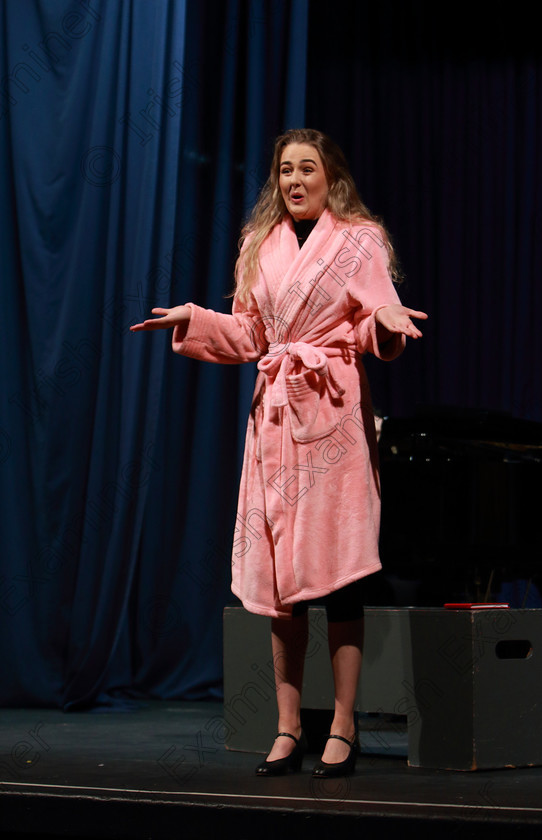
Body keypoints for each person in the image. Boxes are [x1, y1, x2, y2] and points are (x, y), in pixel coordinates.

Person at [131, 128, 427, 777]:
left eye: (307, 169)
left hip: (332, 419)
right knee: (277, 585)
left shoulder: (358, 241)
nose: (295, 180)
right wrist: (195, 320)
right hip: (273, 421)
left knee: (342, 574)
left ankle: (343, 725)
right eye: (286, 170)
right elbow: (248, 332)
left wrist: (384, 322)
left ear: (331, 177)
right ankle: (289, 727)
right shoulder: (257, 244)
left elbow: (378, 305)